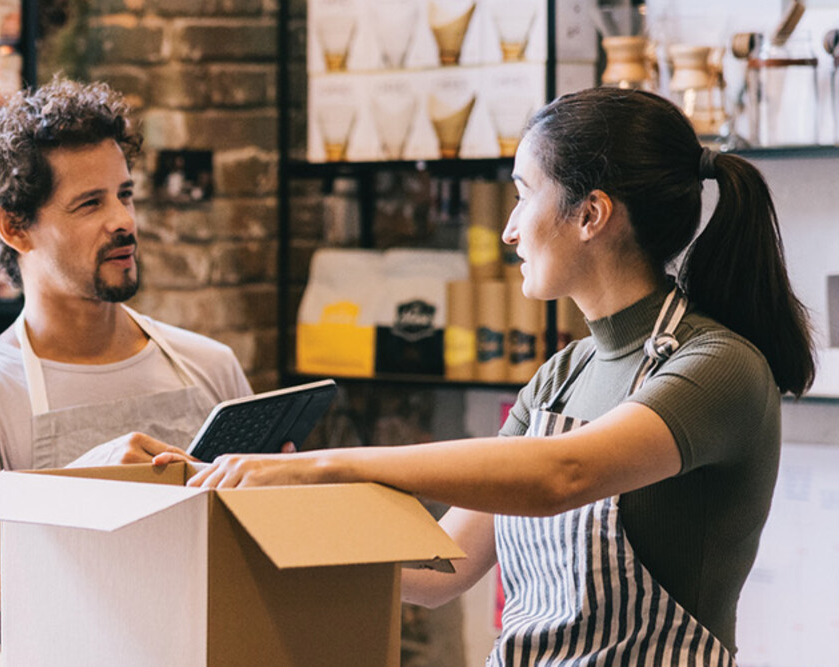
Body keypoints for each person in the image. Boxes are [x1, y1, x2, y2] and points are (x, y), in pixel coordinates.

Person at [169, 88, 816, 664]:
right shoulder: (562, 375)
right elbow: (439, 565)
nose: (508, 229)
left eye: (522, 193)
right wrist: (269, 507)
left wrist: (324, 466)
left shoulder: (718, 366)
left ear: (591, 215)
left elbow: (562, 475)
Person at [0, 79, 254, 645]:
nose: (123, 221)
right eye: (90, 203)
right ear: (15, 227)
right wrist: (76, 488)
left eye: (125, 194)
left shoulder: (209, 367)